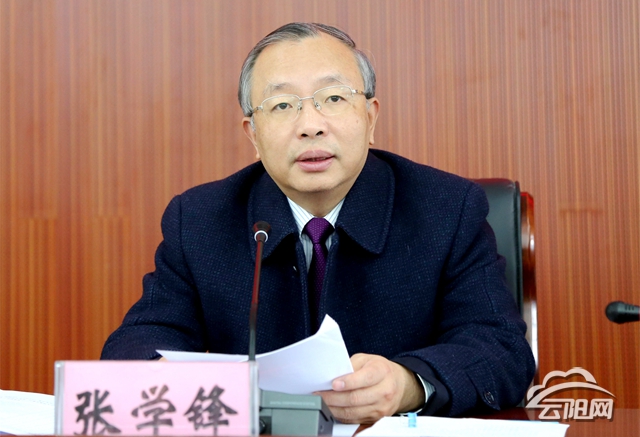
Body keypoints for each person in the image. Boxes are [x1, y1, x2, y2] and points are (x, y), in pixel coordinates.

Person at [101, 22, 535, 423]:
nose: (311, 126)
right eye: (282, 105)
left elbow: (502, 350)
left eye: (334, 98)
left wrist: (408, 384)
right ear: (253, 134)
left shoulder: (447, 208)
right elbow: (138, 343)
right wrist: (163, 378)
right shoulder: (199, 220)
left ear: (370, 117)